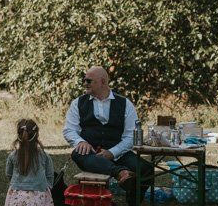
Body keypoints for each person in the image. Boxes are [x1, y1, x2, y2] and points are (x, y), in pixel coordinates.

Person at [62, 66, 151, 198]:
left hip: (119, 153)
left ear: (103, 82)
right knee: (77, 154)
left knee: (146, 169)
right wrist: (81, 141)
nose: (85, 84)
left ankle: (132, 205)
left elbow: (130, 136)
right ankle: (121, 173)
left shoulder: (125, 104)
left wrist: (112, 152)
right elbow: (69, 130)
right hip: (90, 153)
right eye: (84, 80)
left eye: (89, 81)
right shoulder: (78, 103)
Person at [3, 119, 55, 206]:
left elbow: (8, 173)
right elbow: (50, 174)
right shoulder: (43, 155)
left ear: (19, 135)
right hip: (39, 194)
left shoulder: (13, 155)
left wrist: (15, 185)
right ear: (36, 135)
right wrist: (47, 187)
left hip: (18, 194)